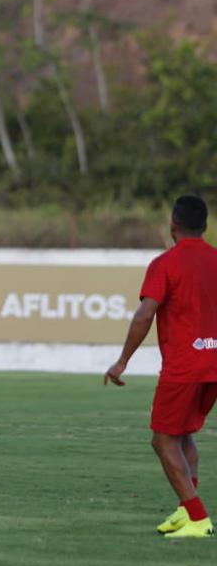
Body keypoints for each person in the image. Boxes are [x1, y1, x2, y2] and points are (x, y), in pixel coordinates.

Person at [105, 195, 216, 539]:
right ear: (205, 227)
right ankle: (185, 511)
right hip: (214, 364)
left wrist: (122, 361)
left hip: (185, 367)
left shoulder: (165, 263)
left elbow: (145, 314)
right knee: (182, 436)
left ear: (172, 226)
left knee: (163, 441)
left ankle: (197, 517)